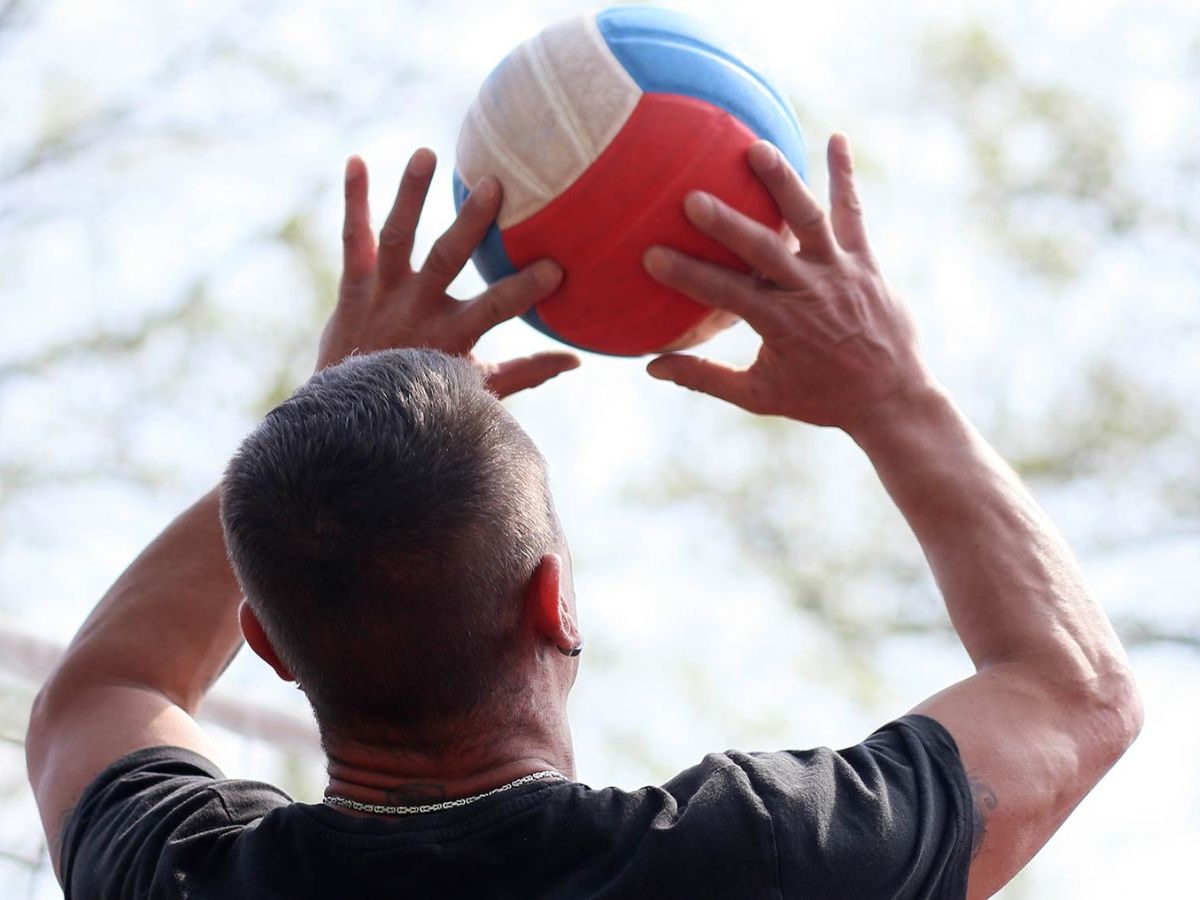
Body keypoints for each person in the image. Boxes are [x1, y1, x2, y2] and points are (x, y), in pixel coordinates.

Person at [25, 135, 1142, 900]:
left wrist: (339, 406)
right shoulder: (750, 863)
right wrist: (894, 393)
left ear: (267, 642)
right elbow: (1075, 692)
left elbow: (105, 689)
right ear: (553, 602)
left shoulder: (180, 875)